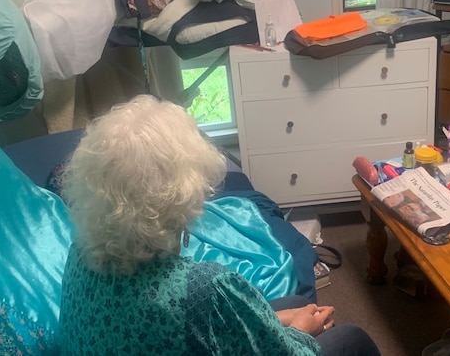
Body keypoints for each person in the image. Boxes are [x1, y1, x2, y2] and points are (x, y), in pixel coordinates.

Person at [58, 95, 380, 355]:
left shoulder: (80, 252)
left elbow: (217, 331)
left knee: (296, 304)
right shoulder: (206, 288)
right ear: (182, 192)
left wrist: (277, 320)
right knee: (351, 339)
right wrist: (299, 332)